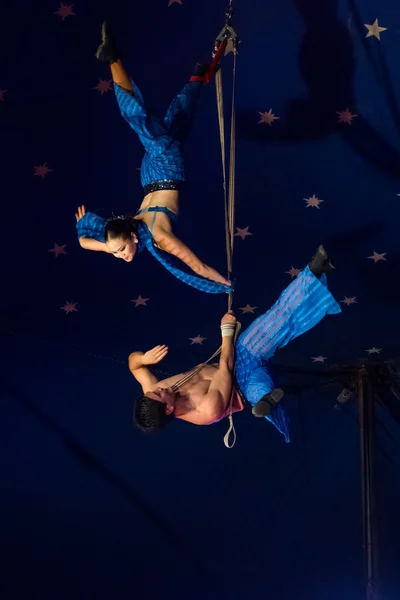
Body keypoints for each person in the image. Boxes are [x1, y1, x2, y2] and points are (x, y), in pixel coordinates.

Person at [75, 22, 232, 294]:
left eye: (119, 250)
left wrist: (224, 287)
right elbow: (195, 265)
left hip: (164, 169)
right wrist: (223, 283)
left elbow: (196, 267)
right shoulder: (142, 233)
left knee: (140, 119)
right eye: (118, 252)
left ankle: (112, 58)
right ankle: (196, 80)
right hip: (153, 174)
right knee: (174, 127)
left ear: (132, 237)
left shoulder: (154, 235)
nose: (120, 255)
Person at [129, 246, 342, 442]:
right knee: (258, 390)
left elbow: (134, 365)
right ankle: (266, 403)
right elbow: (226, 367)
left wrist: (143, 359)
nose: (160, 387)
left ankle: (314, 271)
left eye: (153, 391)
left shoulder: (155, 391)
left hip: (242, 355)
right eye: (159, 393)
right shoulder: (205, 411)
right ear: (167, 409)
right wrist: (227, 331)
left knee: (277, 319)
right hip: (241, 383)